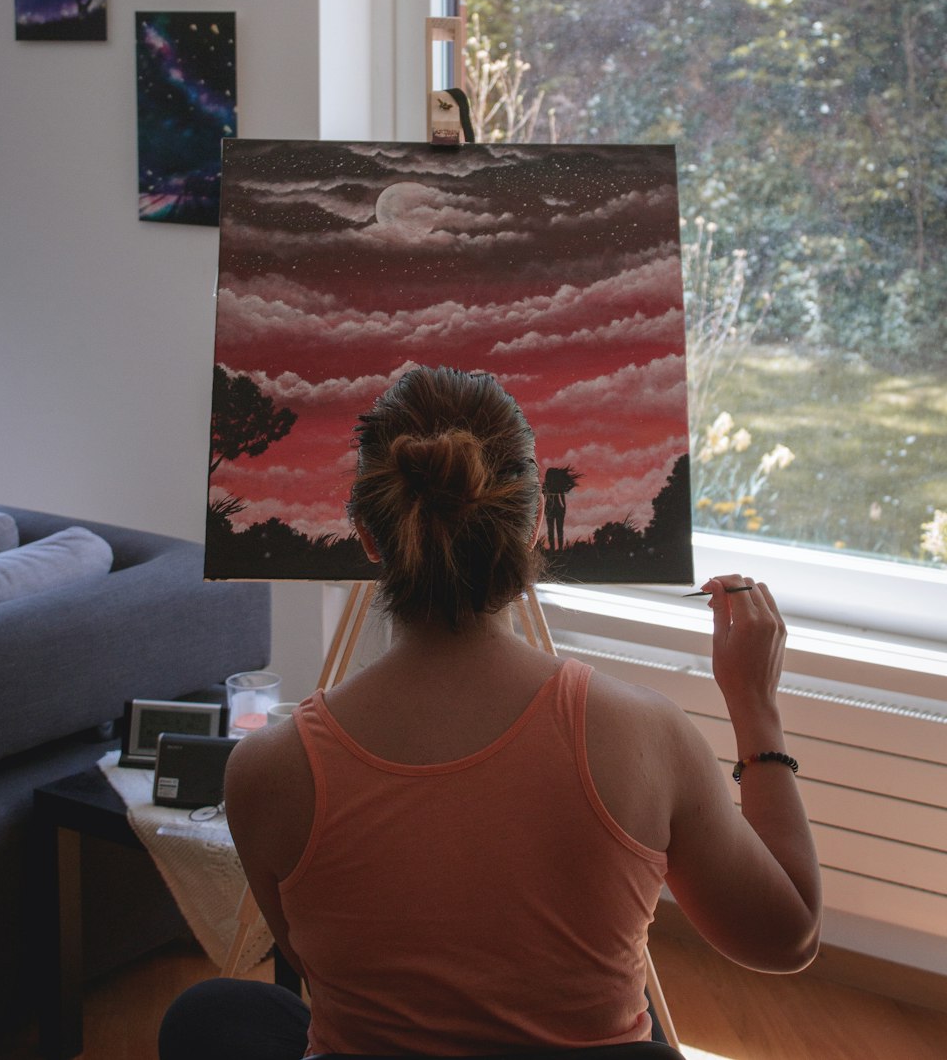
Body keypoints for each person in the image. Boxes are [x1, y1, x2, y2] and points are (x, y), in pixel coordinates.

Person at [160, 365, 821, 1060]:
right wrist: (755, 707)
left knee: (215, 1015)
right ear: (536, 522)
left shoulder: (268, 772)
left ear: (367, 535)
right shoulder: (644, 735)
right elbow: (788, 938)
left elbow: (317, 966)